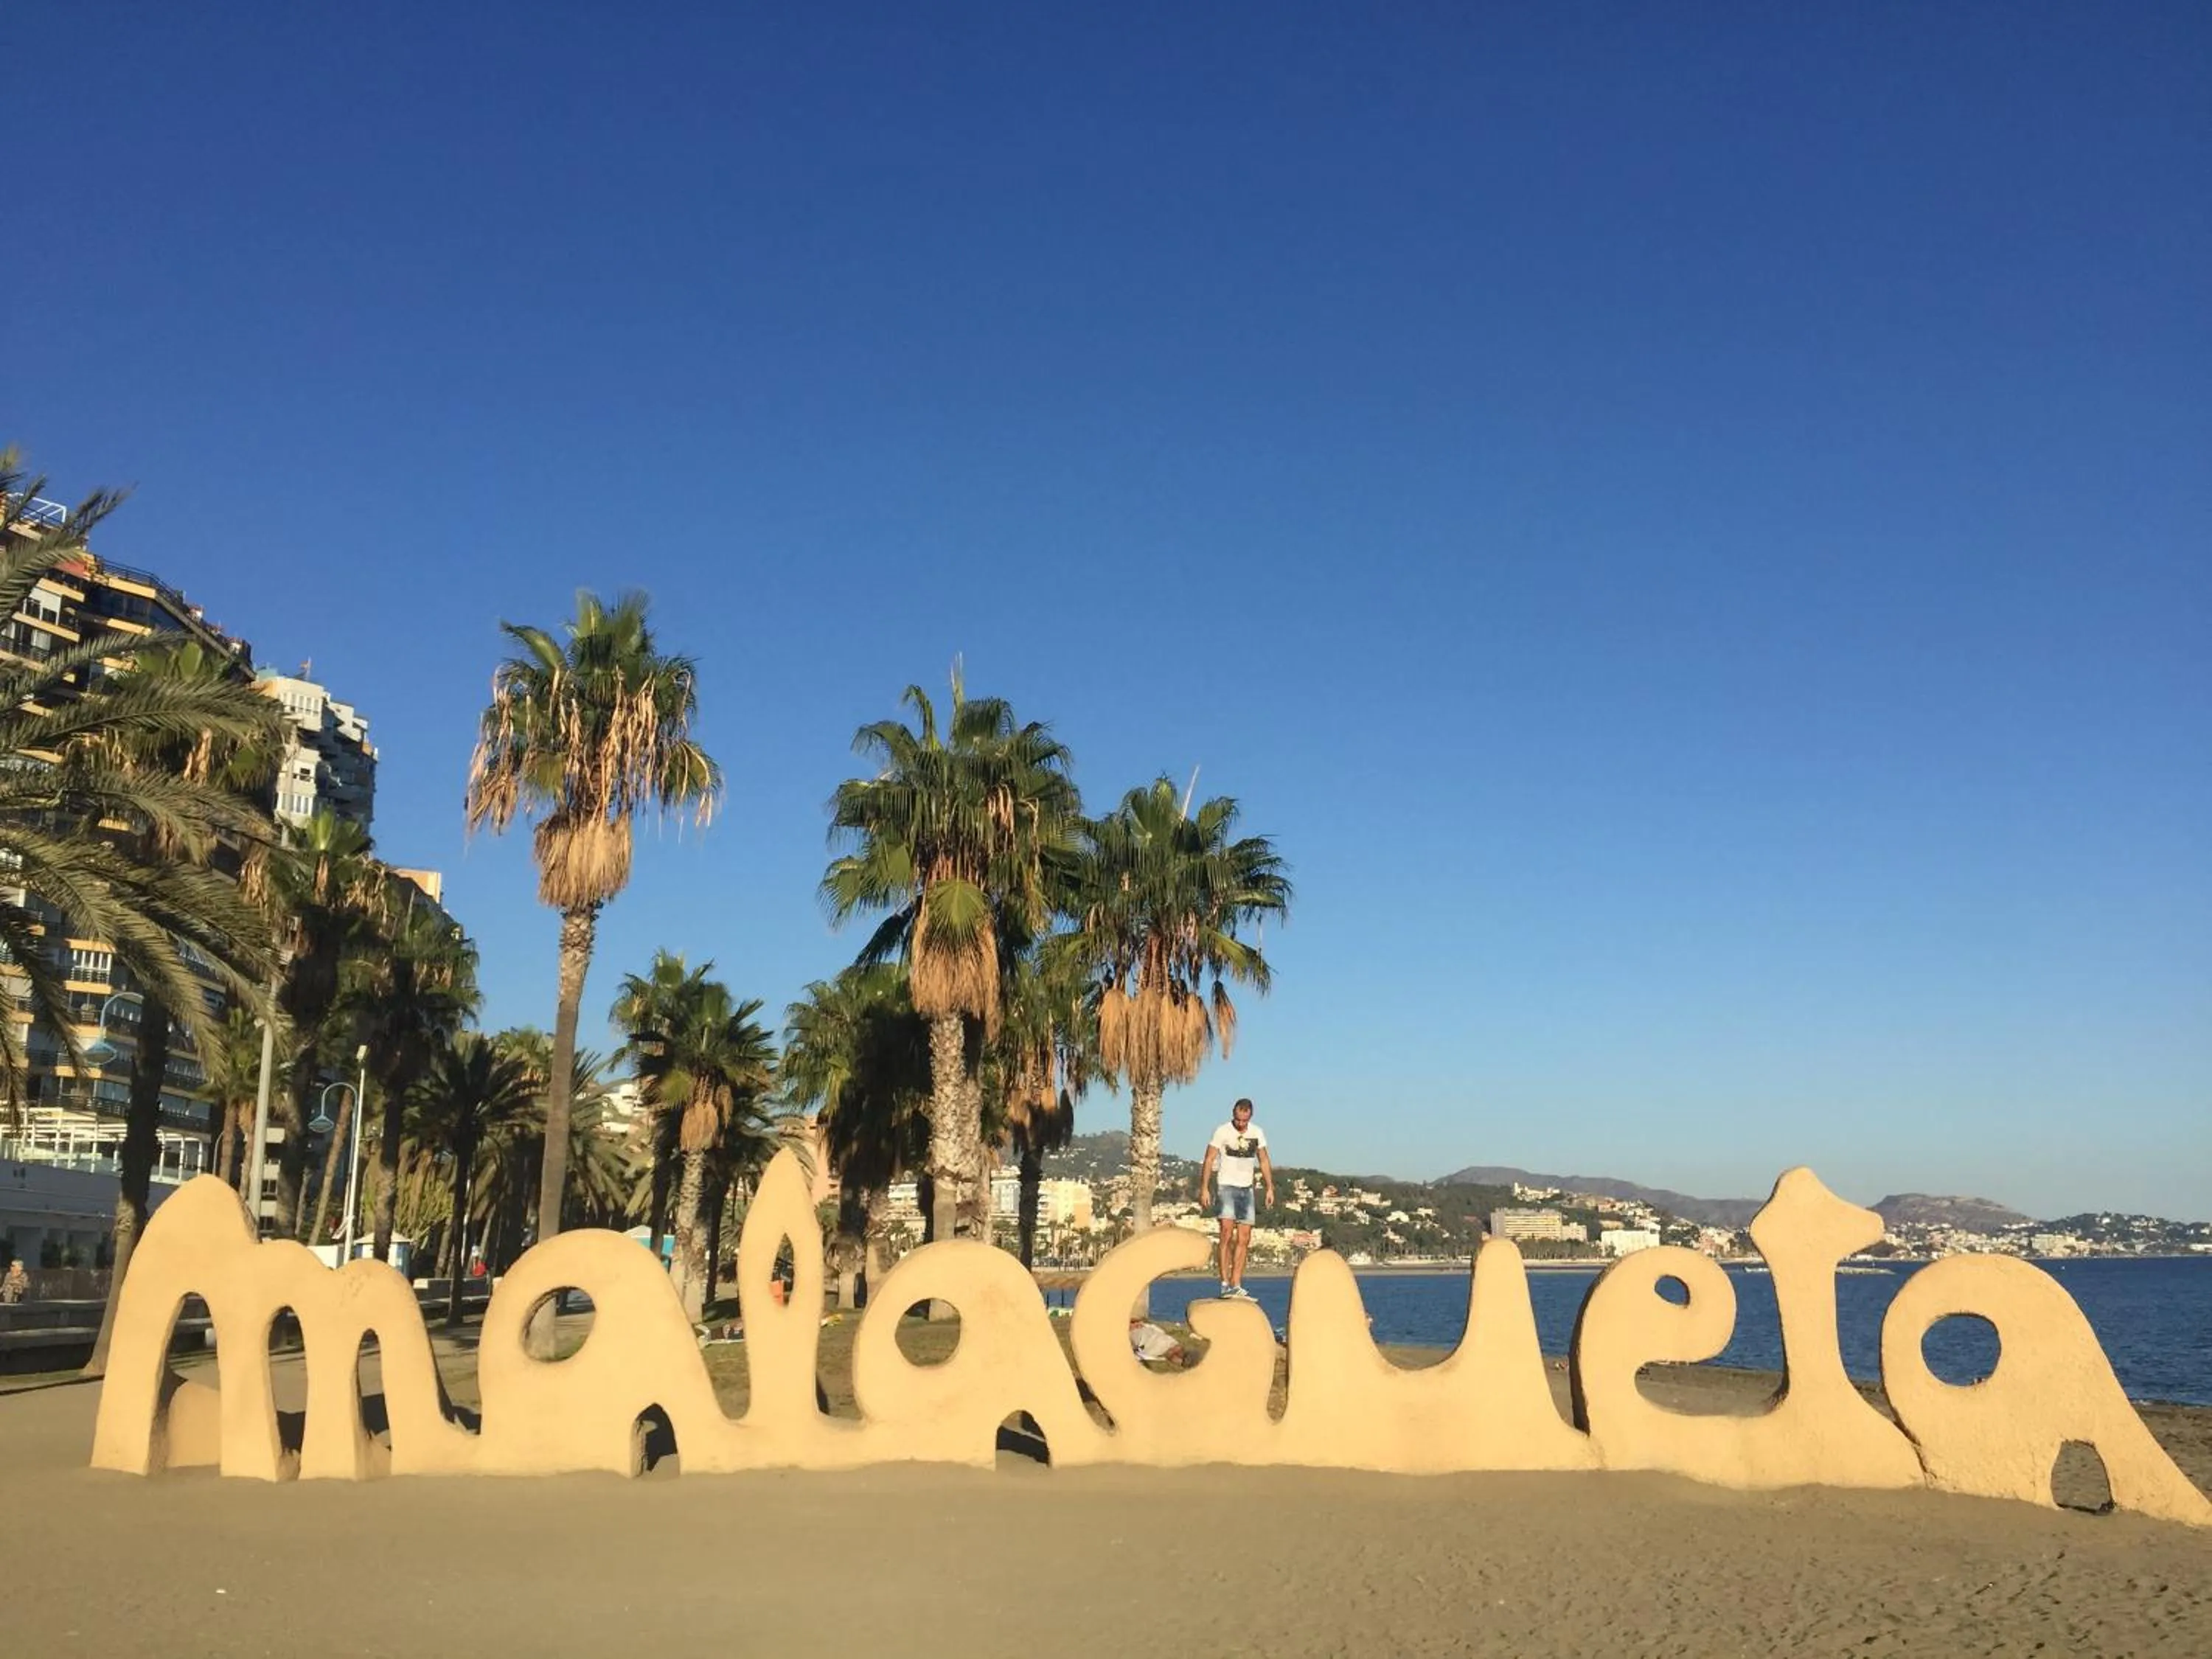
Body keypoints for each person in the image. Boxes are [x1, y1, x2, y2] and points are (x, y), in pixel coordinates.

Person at [1196, 1096, 1273, 1300]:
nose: (1241, 1125)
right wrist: (1204, 1188)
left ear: (1250, 1117)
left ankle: (1236, 1283)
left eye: (1244, 1121)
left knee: (1244, 1238)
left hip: (1247, 1189)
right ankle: (1224, 1284)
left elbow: (1264, 1160)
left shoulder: (1257, 1133)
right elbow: (1209, 1158)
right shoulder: (1222, 1131)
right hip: (1226, 1187)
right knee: (1226, 1234)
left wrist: (1269, 1188)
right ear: (1234, 1114)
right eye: (1238, 1120)